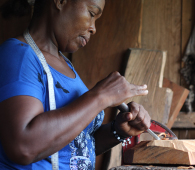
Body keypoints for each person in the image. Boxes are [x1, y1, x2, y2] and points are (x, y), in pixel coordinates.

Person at [0, 0, 151, 169]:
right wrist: (100, 97)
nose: (93, 28)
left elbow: (74, 148)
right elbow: (23, 147)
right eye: (92, 14)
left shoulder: (65, 66)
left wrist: (118, 131)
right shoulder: (19, 55)